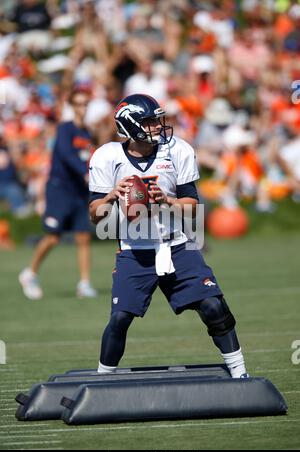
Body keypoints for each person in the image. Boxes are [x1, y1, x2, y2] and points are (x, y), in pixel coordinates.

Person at [89, 93, 249, 378]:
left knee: (213, 306)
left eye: (157, 121)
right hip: (135, 249)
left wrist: (167, 201)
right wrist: (112, 196)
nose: (157, 127)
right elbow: (95, 214)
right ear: (130, 126)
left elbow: (191, 207)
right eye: (149, 122)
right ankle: (102, 380)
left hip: (177, 243)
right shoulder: (107, 156)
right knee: (120, 318)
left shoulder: (178, 150)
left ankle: (240, 373)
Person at [19, 89, 97, 300]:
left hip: (80, 192)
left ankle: (84, 283)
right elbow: (65, 154)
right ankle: (30, 273)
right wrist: (84, 172)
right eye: (78, 104)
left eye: (85, 103)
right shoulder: (65, 129)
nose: (82, 107)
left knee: (83, 237)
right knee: (53, 237)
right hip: (60, 188)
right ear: (72, 106)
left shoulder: (87, 133)